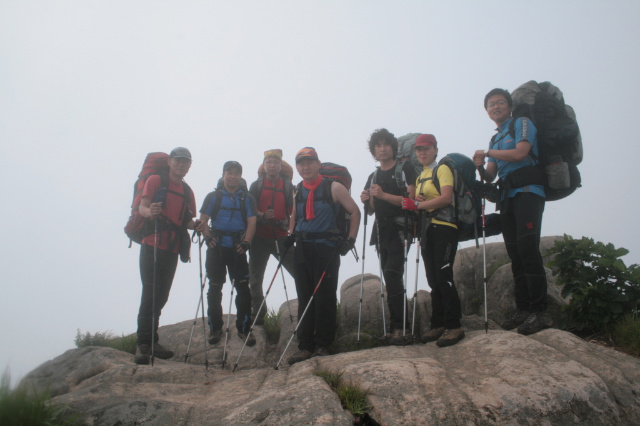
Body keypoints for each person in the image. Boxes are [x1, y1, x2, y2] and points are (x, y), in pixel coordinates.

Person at [473, 88, 552, 335]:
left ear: (509, 106)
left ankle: (539, 311)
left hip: (529, 192)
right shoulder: (495, 139)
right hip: (507, 198)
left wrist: (487, 154)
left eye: (499, 103)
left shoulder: (522, 123)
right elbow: (491, 174)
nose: (495, 107)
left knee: (528, 248)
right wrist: (478, 169)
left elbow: (521, 153)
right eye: (490, 105)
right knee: (515, 253)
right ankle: (524, 308)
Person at [286, 147, 361, 364]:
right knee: (304, 295)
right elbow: (294, 213)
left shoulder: (334, 187)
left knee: (325, 296)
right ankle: (305, 346)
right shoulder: (297, 189)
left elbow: (355, 211)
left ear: (319, 164)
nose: (305, 167)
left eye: (309, 162)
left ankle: (323, 344)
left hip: (326, 248)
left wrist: (351, 239)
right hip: (302, 248)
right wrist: (291, 234)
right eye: (301, 163)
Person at [135, 147, 197, 365]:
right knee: (150, 292)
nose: (181, 165)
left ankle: (153, 342)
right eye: (178, 161)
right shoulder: (155, 180)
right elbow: (143, 206)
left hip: (172, 248)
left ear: (190, 165)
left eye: (185, 162)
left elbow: (186, 220)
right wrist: (149, 211)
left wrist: (198, 225)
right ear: (170, 162)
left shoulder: (187, 191)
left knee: (161, 296)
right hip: (152, 243)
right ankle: (143, 344)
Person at [402, 134, 464, 347]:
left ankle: (453, 325)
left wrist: (417, 205)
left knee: (443, 274)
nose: (422, 152)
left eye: (426, 149)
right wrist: (420, 201)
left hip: (445, 228)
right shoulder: (421, 177)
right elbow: (427, 201)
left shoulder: (442, 169)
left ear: (435, 150)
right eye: (419, 150)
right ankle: (438, 323)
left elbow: (446, 197)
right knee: (433, 278)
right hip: (428, 230)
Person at [360, 129, 418, 345]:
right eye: (378, 145)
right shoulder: (373, 176)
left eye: (386, 144)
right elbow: (372, 210)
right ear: (374, 150)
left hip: (401, 228)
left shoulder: (405, 168)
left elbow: (411, 199)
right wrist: (367, 199)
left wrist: (382, 195)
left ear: (393, 147)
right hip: (381, 231)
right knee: (389, 275)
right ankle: (397, 326)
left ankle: (402, 327)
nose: (382, 149)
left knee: (393, 273)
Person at [197, 161, 257, 347]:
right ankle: (215, 328)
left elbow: (252, 222)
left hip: (237, 247)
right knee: (215, 287)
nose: (233, 177)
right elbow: (203, 220)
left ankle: (244, 328)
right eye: (229, 173)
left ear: (240, 176)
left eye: (236, 174)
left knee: (243, 288)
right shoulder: (213, 196)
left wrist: (246, 243)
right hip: (217, 248)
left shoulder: (246, 198)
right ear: (223, 175)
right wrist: (207, 237)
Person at [248, 149, 296, 325]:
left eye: (276, 162)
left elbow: (293, 211)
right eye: (269, 162)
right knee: (255, 278)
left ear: (280, 165)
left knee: (299, 270)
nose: (272, 165)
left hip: (281, 236)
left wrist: (291, 228)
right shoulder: (256, 185)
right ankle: (259, 313)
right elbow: (248, 209)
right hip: (259, 237)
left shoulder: (288, 186)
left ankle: (306, 303)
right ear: (264, 165)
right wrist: (262, 216)